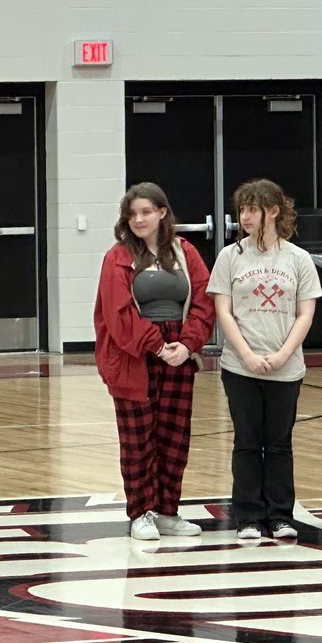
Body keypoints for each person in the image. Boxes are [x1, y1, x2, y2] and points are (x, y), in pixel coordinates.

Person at [94, 182, 216, 541]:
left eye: (146, 212)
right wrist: (158, 346)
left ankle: (168, 511)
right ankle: (141, 512)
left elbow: (204, 302)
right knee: (137, 441)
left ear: (163, 212)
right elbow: (118, 314)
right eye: (133, 214)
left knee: (173, 438)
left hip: (179, 353)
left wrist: (187, 344)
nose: (139, 219)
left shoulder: (186, 252)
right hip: (135, 357)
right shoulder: (117, 257)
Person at [207, 179, 321, 541]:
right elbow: (223, 311)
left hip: (286, 368)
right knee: (246, 441)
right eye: (242, 209)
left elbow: (305, 314)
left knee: (278, 443)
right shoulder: (230, 257)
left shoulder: (297, 259)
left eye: (252, 209)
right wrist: (246, 354)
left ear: (273, 210)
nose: (245, 216)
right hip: (240, 367)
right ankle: (249, 517)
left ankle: (280, 515)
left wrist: (284, 353)